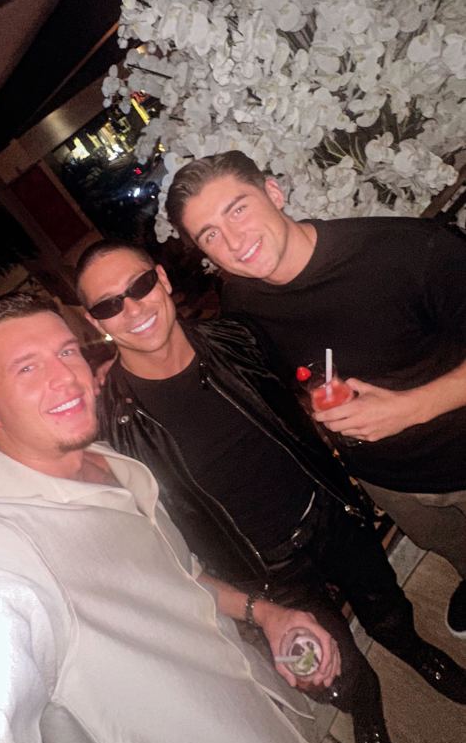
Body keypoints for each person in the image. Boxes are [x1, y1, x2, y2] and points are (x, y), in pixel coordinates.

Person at [76, 241, 466, 743]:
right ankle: (367, 704)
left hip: (326, 512)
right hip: (261, 568)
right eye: (109, 304)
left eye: (139, 286)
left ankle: (415, 650)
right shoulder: (111, 425)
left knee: (385, 604)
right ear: (96, 321)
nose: (133, 308)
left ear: (162, 279)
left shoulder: (238, 337)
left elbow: (310, 372)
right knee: (333, 660)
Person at [0, 292, 343, 743]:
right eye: (26, 368)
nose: (64, 377)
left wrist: (264, 614)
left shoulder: (109, 461)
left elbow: (179, 576)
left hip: (275, 714)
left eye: (66, 351)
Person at [166, 150, 466, 641]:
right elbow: (293, 379)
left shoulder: (408, 251)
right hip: (388, 482)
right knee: (449, 543)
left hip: (459, 447)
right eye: (210, 235)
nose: (234, 241)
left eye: (238, 209)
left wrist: (409, 408)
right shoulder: (243, 302)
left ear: (274, 193)